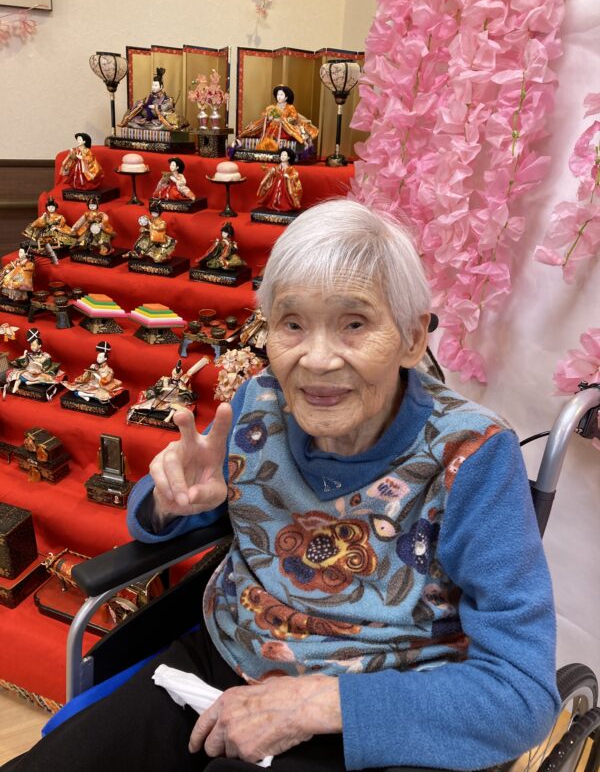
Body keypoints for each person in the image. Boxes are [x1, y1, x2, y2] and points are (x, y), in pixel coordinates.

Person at [2, 199, 559, 772]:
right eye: (292, 324)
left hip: (369, 709)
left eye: (354, 324)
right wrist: (169, 502)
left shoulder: (471, 457)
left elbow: (521, 695)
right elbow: (182, 507)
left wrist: (321, 703)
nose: (316, 360)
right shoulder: (259, 402)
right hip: (221, 657)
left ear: (413, 339)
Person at [237, 85, 318, 154]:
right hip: (271, 126)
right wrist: (269, 118)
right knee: (258, 131)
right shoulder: (273, 106)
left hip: (284, 127)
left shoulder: (290, 107)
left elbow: (294, 118)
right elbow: (267, 116)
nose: (279, 96)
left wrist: (283, 120)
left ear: (286, 97)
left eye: (281, 95)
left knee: (290, 135)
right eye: (278, 94)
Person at [118, 67, 188, 132]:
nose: (153, 87)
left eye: (156, 85)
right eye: (153, 85)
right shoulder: (150, 96)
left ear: (161, 86)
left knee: (164, 124)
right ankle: (126, 121)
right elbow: (143, 103)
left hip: (158, 119)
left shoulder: (166, 98)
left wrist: (156, 107)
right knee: (135, 114)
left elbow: (168, 106)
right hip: (146, 118)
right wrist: (141, 103)